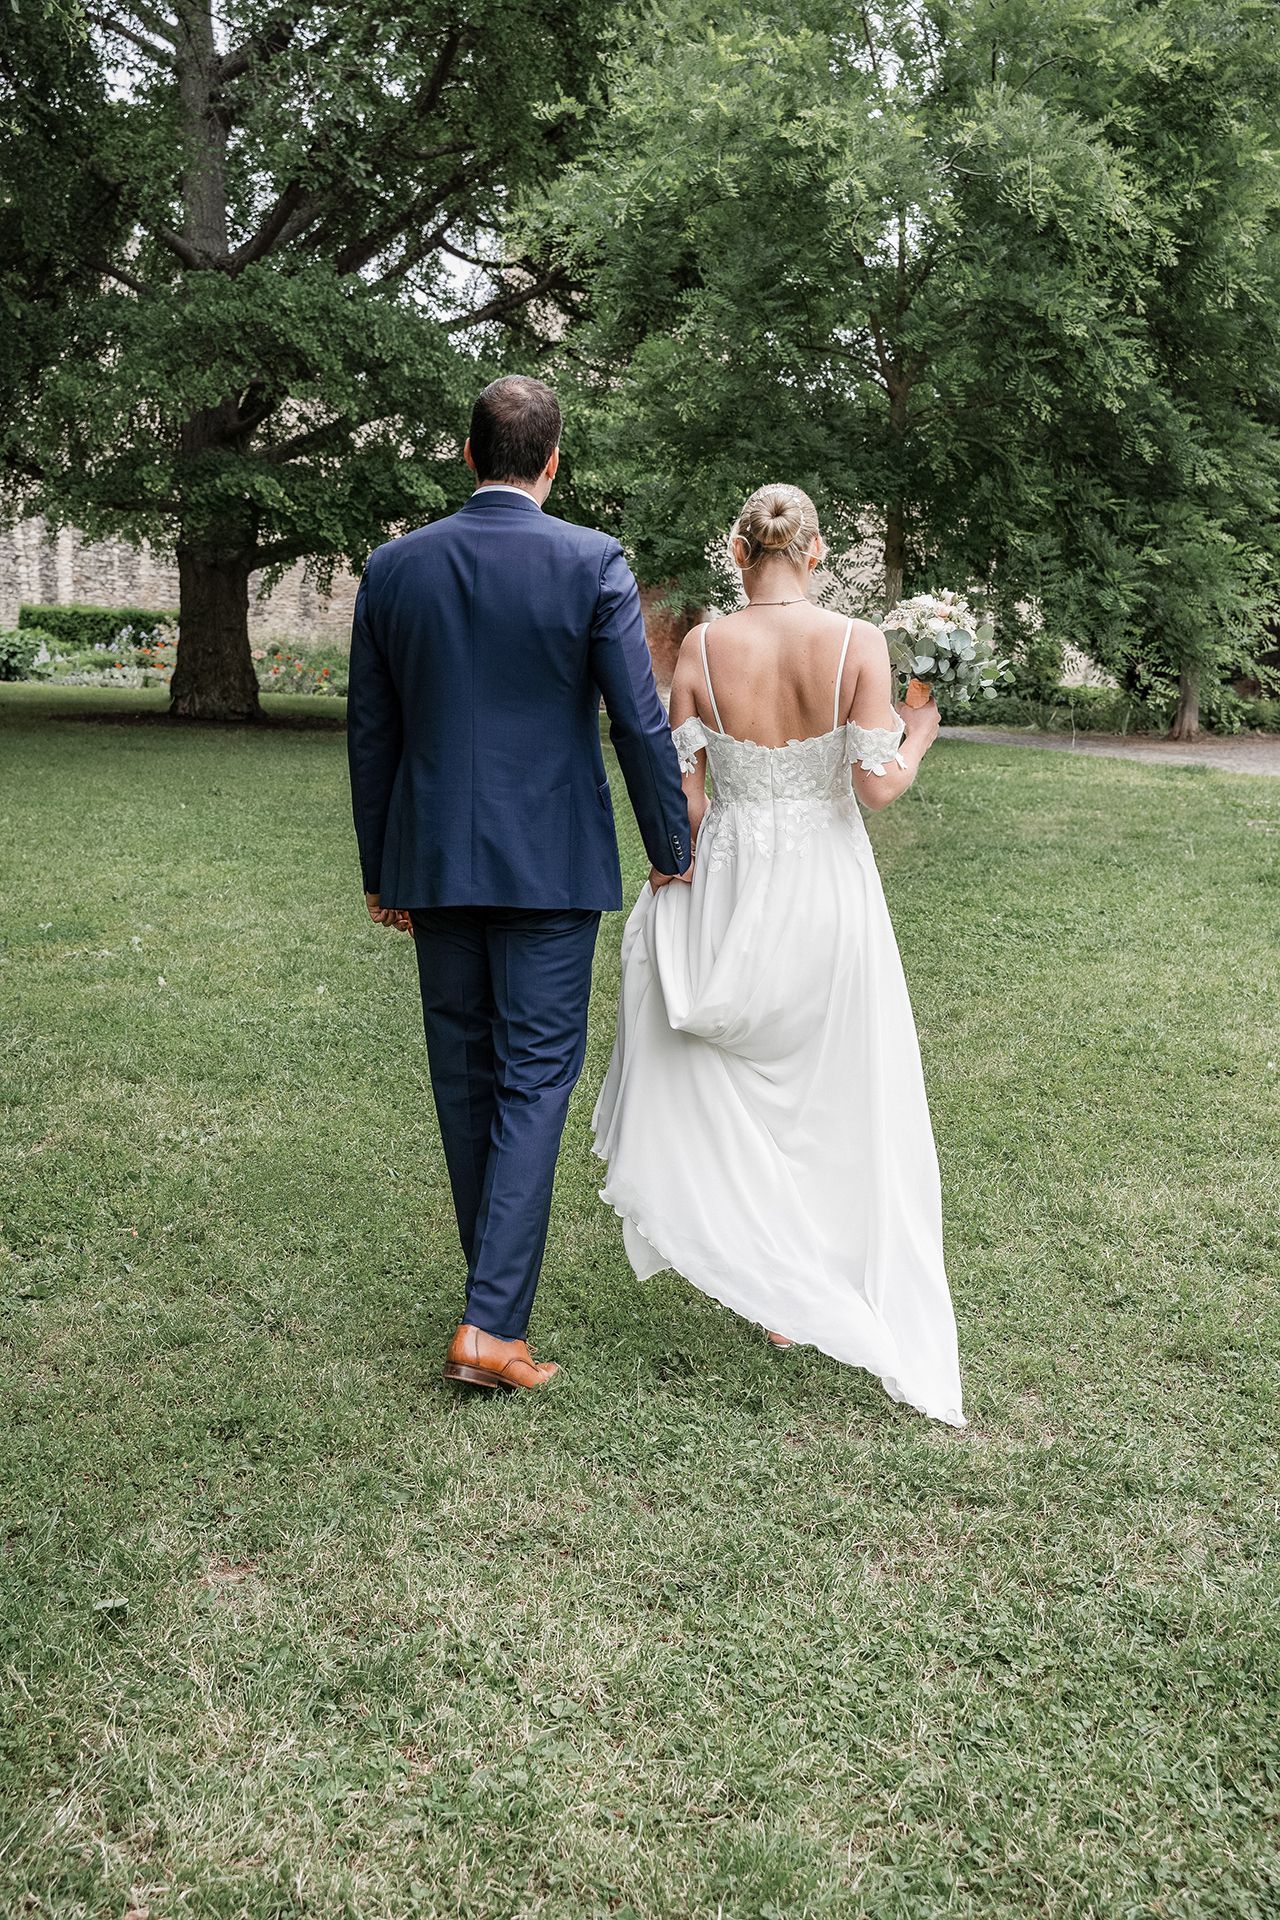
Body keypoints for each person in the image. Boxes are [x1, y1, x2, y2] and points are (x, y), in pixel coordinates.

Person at [593, 483, 965, 1426]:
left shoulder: (704, 648)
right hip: (828, 883)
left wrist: (704, 854)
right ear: (816, 549)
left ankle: (773, 1274)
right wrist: (918, 734)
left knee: (740, 1072)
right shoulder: (857, 643)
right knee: (833, 1083)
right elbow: (876, 791)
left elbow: (683, 797)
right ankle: (808, 1273)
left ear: (736, 549)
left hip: (731, 873)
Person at [348, 375, 691, 1393]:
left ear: (465, 457)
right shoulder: (592, 561)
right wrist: (669, 843)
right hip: (548, 862)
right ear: (553, 461)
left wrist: (382, 866)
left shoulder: (394, 566)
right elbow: (637, 718)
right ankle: (489, 1324)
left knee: (466, 1076)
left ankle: (486, 1304)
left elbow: (372, 732)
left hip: (436, 860)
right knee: (534, 1079)